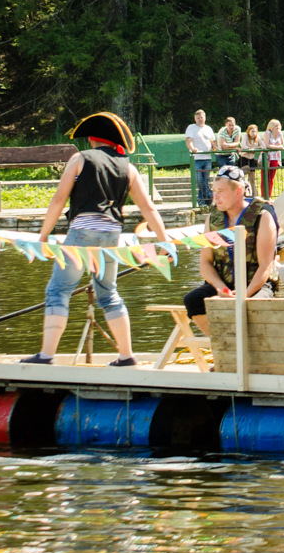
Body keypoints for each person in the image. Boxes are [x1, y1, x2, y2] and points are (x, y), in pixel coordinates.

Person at [20, 112, 171, 367]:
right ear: (115, 142)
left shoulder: (80, 159)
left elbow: (59, 199)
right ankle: (126, 356)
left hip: (82, 233)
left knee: (58, 291)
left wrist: (43, 236)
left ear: (92, 139)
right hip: (111, 235)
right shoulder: (129, 167)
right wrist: (164, 241)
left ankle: (46, 356)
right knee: (109, 293)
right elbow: (149, 208)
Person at [181, 164, 280, 337]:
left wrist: (245, 294)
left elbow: (266, 265)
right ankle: (224, 349)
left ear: (238, 191)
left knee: (256, 307)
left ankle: (249, 356)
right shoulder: (213, 219)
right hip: (224, 285)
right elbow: (205, 263)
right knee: (193, 300)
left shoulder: (262, 216)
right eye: (214, 191)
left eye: (221, 191)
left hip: (256, 285)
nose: (215, 196)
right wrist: (222, 290)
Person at [185, 109, 216, 206]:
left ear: (205, 118)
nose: (200, 119)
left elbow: (213, 142)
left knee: (206, 179)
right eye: (198, 118)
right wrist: (192, 148)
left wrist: (215, 148)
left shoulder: (208, 129)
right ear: (195, 119)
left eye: (201, 117)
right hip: (196, 158)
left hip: (207, 158)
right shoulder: (191, 128)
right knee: (199, 180)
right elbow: (188, 140)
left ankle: (204, 199)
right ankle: (206, 196)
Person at [237, 123, 263, 195]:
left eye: (255, 131)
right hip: (244, 159)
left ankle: (255, 196)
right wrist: (254, 146)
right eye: (252, 131)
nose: (254, 133)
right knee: (242, 179)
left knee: (252, 180)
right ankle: (243, 195)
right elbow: (244, 146)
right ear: (248, 131)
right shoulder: (245, 136)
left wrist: (254, 147)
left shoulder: (257, 137)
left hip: (251, 159)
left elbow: (263, 146)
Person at [263, 118, 284, 197]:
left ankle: (269, 195)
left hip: (276, 157)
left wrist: (277, 147)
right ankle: (264, 195)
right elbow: (266, 145)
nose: (277, 127)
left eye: (278, 125)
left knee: (271, 178)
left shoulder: (280, 133)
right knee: (265, 177)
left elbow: (282, 145)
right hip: (267, 157)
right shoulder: (268, 133)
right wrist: (277, 147)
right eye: (275, 126)